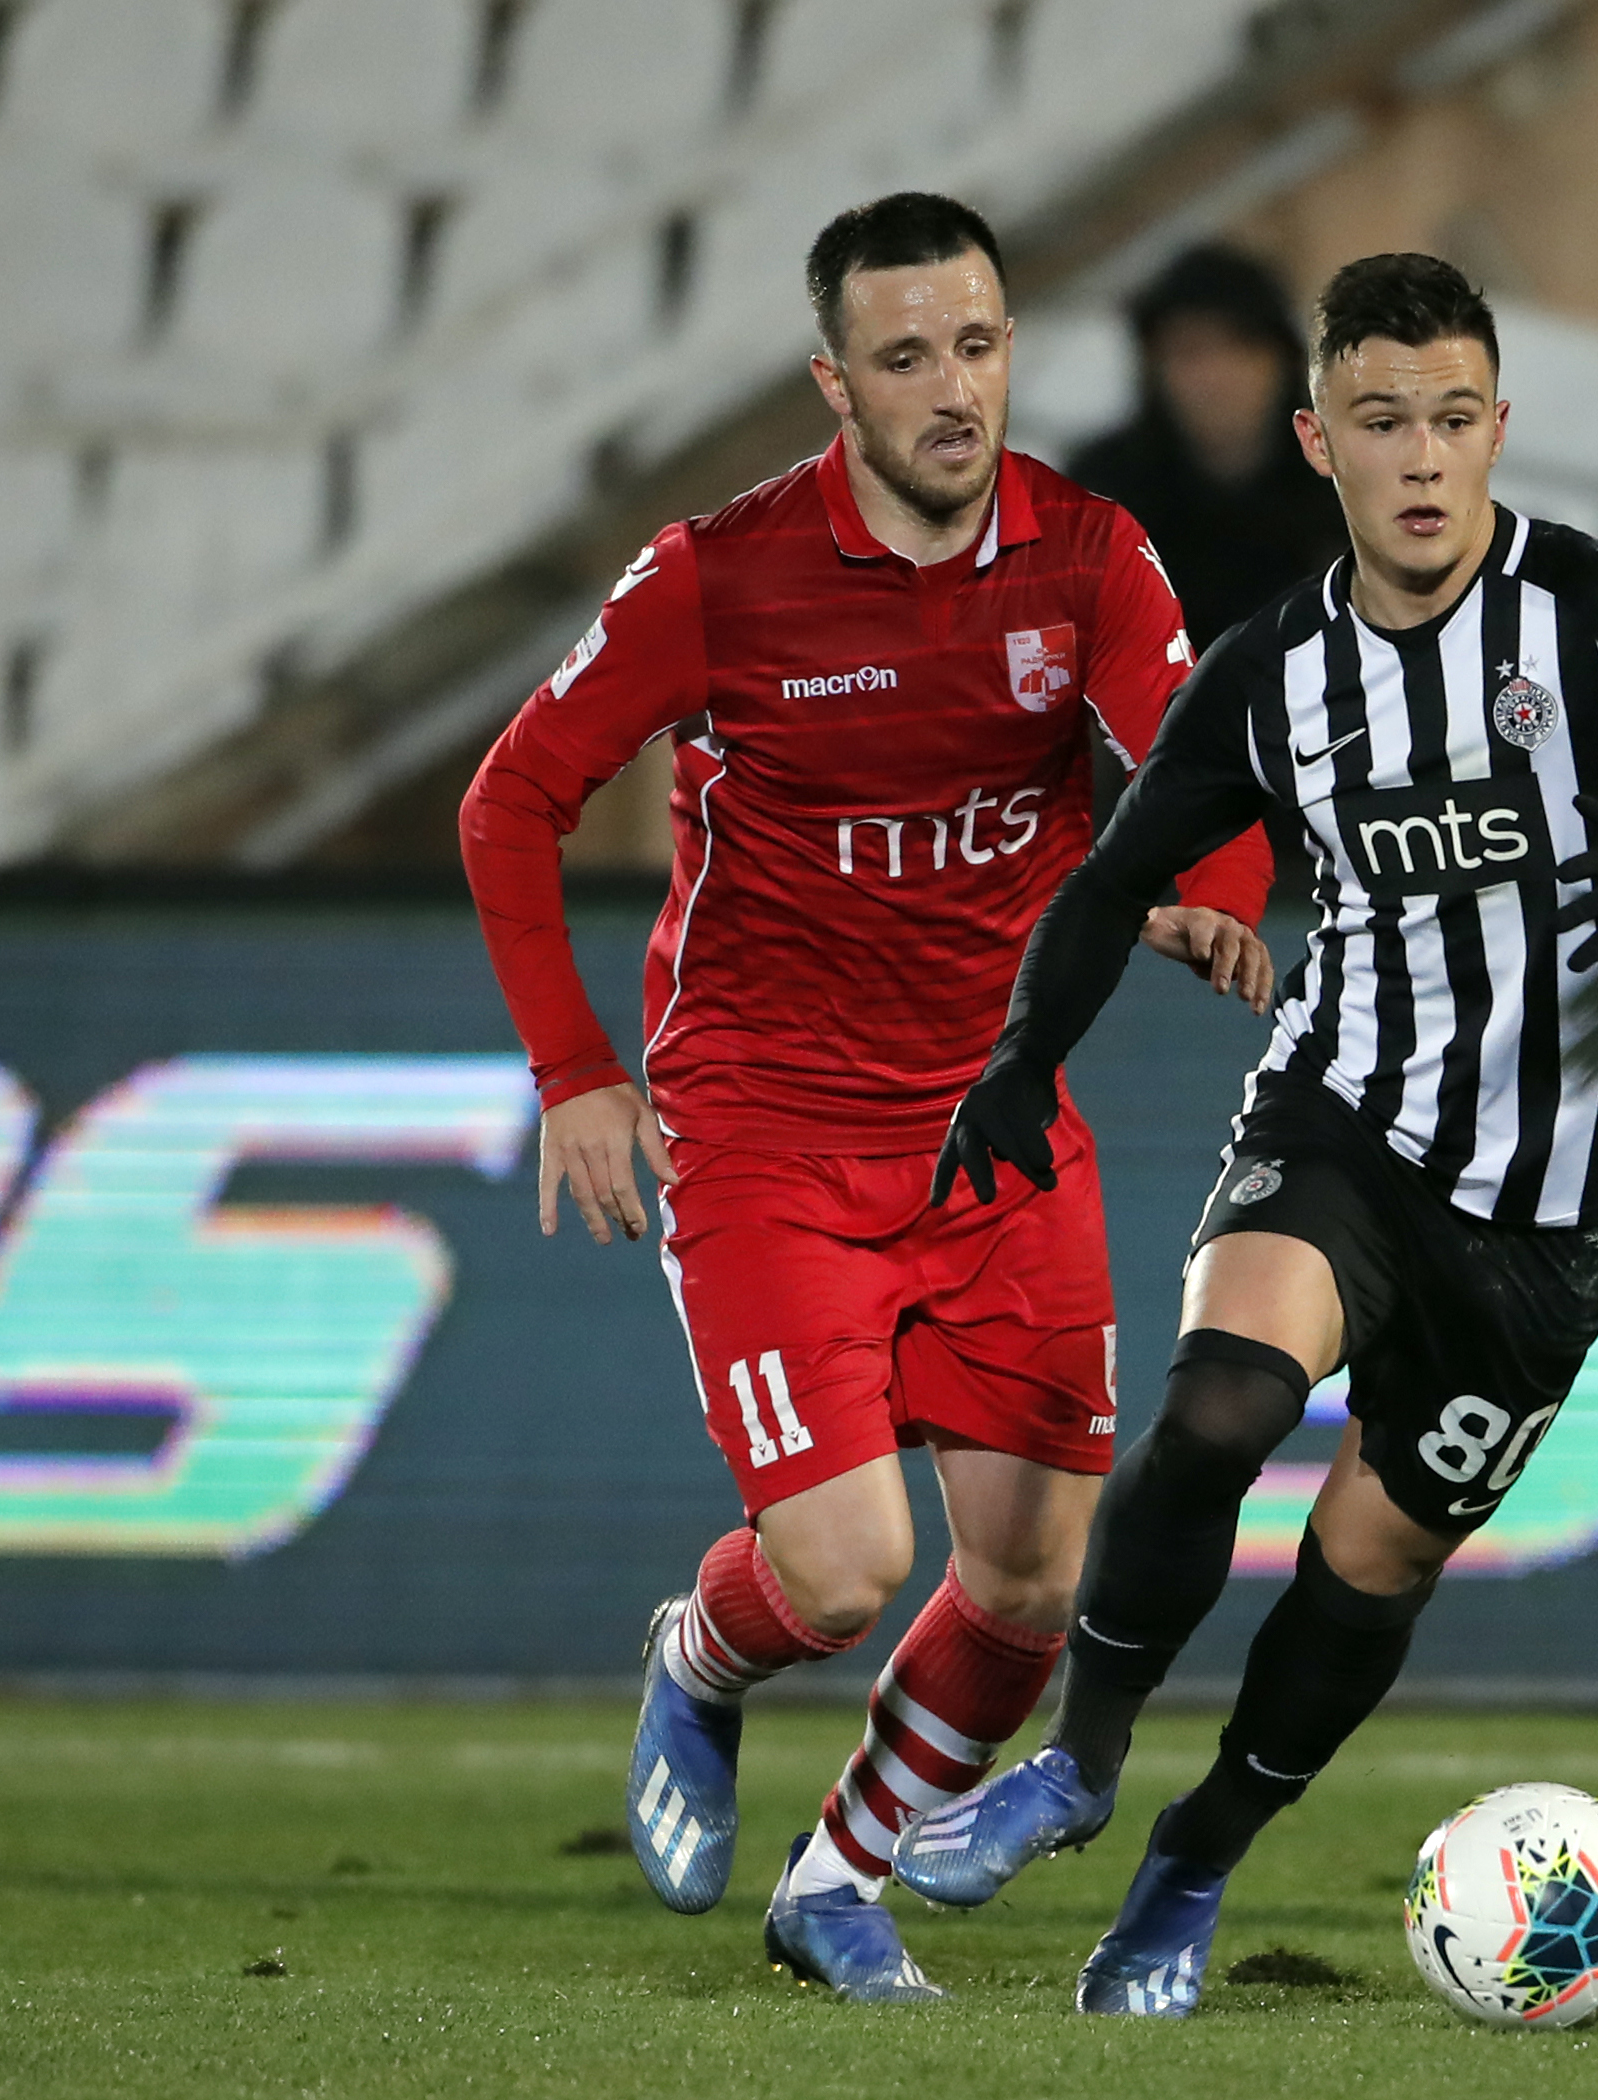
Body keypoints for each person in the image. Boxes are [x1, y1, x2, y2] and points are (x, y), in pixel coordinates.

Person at [897, 253, 1598, 2015]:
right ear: (1319, 441)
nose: (1422, 459)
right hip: (1348, 1110)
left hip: (1552, 1211)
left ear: (1499, 430)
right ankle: (1080, 1761)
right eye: (1382, 423)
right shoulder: (1274, 675)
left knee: (1374, 1559)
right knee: (1218, 1406)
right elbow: (1112, 877)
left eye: (1452, 420)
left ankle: (1189, 1869)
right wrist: (1017, 1067)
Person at [456, 191, 1275, 2003]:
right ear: (834, 382)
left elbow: (1206, 755)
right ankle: (701, 1654)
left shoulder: (1090, 559)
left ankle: (835, 1885)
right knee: (840, 1570)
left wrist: (1215, 895)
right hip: (764, 1129)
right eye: (905, 357)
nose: (952, 388)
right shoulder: (716, 577)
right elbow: (508, 799)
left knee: (1032, 1583)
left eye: (978, 346)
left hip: (989, 1123)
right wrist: (576, 1075)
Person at [1068, 244, 1347, 654]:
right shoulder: (1104, 498)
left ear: (1283, 360)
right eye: (1190, 353)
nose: (1215, 378)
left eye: (1238, 350)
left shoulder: (1346, 479)